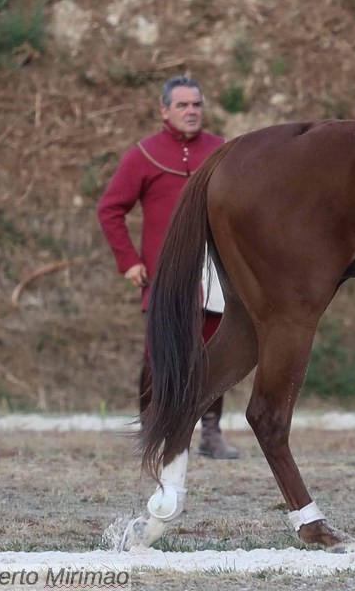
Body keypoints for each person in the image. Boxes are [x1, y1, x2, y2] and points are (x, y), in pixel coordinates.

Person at [96, 76, 238, 459]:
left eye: (196, 105)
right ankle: (151, 428)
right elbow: (110, 209)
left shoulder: (221, 150)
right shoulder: (144, 154)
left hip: (214, 272)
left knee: (213, 353)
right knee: (157, 355)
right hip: (165, 274)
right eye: (182, 105)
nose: (191, 111)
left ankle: (209, 433)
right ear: (164, 111)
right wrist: (129, 261)